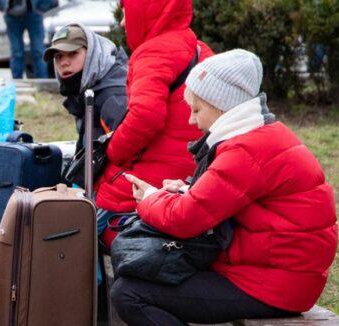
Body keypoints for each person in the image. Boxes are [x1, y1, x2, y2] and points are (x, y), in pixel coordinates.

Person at [112, 49, 338, 325]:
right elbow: (222, 200)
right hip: (275, 274)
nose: (191, 121)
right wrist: (185, 190)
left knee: (130, 293)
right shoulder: (258, 136)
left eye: (196, 110)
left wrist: (148, 197)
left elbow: (184, 219)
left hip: (274, 284)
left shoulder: (246, 151)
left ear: (221, 106)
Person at [95, 0, 214, 247]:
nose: (123, 22)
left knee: (75, 227)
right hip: (189, 176)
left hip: (146, 184)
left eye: (127, 13)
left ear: (146, 13)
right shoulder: (199, 48)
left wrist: (112, 151)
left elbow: (145, 115)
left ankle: (91, 285)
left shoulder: (153, 52)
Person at [43, 23, 128, 152]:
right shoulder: (88, 90)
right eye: (58, 57)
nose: (64, 63)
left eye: (72, 54)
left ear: (92, 54)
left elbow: (127, 154)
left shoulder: (112, 97)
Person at [0, 0, 58, 79]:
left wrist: (43, 7)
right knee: (16, 52)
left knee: (38, 51)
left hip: (33, 12)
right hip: (12, 13)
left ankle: (42, 84)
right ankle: (17, 85)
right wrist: (2, 7)